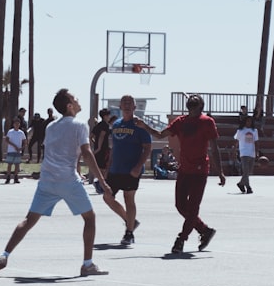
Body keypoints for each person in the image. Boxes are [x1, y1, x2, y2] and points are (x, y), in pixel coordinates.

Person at [0, 88, 112, 277]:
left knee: (29, 220)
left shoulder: (52, 126)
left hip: (47, 179)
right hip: (67, 180)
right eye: (75, 98)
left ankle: (4, 255)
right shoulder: (80, 124)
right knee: (90, 218)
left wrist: (76, 171)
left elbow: (58, 151)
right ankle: (87, 264)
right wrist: (102, 181)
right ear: (69, 106)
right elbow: (86, 152)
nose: (78, 99)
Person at [135, 94, 225, 254]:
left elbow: (214, 147)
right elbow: (160, 134)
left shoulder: (207, 122)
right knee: (180, 205)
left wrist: (220, 172)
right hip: (184, 169)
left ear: (200, 106)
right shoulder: (180, 122)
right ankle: (205, 230)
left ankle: (181, 239)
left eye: (195, 102)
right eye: (191, 102)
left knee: (193, 207)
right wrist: (144, 126)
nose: (192, 103)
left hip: (200, 170)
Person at [102, 95, 152, 246]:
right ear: (120, 107)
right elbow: (114, 147)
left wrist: (138, 167)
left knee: (128, 199)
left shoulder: (139, 125)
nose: (127, 105)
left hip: (131, 170)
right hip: (115, 168)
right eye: (124, 103)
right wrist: (107, 168)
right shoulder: (116, 124)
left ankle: (129, 233)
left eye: (130, 103)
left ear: (135, 107)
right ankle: (129, 220)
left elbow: (147, 148)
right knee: (107, 197)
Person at [234, 115, 259, 194]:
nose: (249, 122)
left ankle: (241, 184)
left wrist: (257, 151)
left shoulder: (254, 131)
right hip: (244, 152)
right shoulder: (240, 131)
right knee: (245, 170)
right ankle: (248, 187)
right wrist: (234, 150)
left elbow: (256, 142)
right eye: (247, 121)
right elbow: (236, 141)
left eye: (250, 121)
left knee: (249, 171)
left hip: (252, 152)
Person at [90, 108, 111, 192]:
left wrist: (95, 144)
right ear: (105, 116)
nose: (109, 117)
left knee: (100, 167)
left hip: (98, 149)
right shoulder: (105, 125)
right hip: (103, 149)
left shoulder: (98, 125)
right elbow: (102, 136)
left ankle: (99, 184)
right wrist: (99, 147)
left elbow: (90, 136)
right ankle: (100, 185)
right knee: (104, 168)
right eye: (108, 115)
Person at [4, 117, 26, 184]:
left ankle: (16, 177)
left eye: (18, 123)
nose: (17, 125)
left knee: (17, 165)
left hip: (18, 151)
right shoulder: (10, 132)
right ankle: (8, 177)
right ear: (13, 124)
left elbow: (25, 141)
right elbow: (7, 140)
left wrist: (21, 148)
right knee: (9, 164)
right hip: (11, 150)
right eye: (15, 123)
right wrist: (14, 146)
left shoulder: (21, 133)